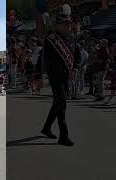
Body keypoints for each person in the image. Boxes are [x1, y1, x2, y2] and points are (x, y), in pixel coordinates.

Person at [40, 4, 78, 146]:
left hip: (66, 76)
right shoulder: (50, 39)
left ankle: (47, 127)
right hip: (55, 75)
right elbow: (42, 58)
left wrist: (75, 68)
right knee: (61, 102)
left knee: (60, 104)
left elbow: (77, 55)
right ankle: (63, 135)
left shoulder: (72, 40)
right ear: (57, 25)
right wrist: (38, 76)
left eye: (68, 24)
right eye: (64, 24)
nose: (67, 27)